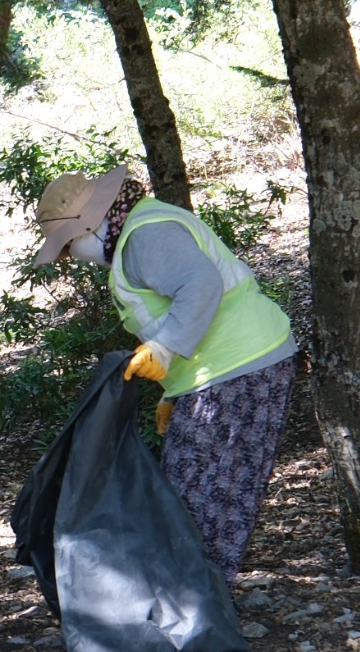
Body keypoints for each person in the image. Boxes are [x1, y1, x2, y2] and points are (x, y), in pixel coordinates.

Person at [33, 168, 298, 588]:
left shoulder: (144, 235)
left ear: (89, 224)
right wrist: (173, 389)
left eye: (68, 246)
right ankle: (195, 604)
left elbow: (200, 283)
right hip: (226, 371)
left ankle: (197, 611)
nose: (72, 257)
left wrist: (165, 349)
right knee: (194, 493)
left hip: (240, 366)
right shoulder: (137, 232)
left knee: (206, 500)